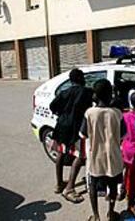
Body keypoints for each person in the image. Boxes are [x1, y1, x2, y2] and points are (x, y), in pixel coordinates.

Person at [80, 79, 124, 221]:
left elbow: (82, 134)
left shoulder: (89, 113)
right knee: (112, 185)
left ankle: (96, 215)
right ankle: (111, 212)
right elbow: (124, 134)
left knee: (93, 185)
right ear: (110, 94)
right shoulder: (117, 113)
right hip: (113, 157)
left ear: (95, 95)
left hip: (96, 157)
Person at [49, 68, 93, 203]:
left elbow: (52, 106)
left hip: (62, 127)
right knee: (80, 156)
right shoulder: (86, 92)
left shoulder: (64, 92)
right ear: (81, 79)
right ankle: (69, 188)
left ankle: (59, 184)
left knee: (61, 153)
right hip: (76, 129)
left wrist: (63, 114)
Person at [122, 92, 135, 217]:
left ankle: (128, 197)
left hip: (127, 149)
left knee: (129, 175)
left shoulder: (125, 116)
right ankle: (132, 202)